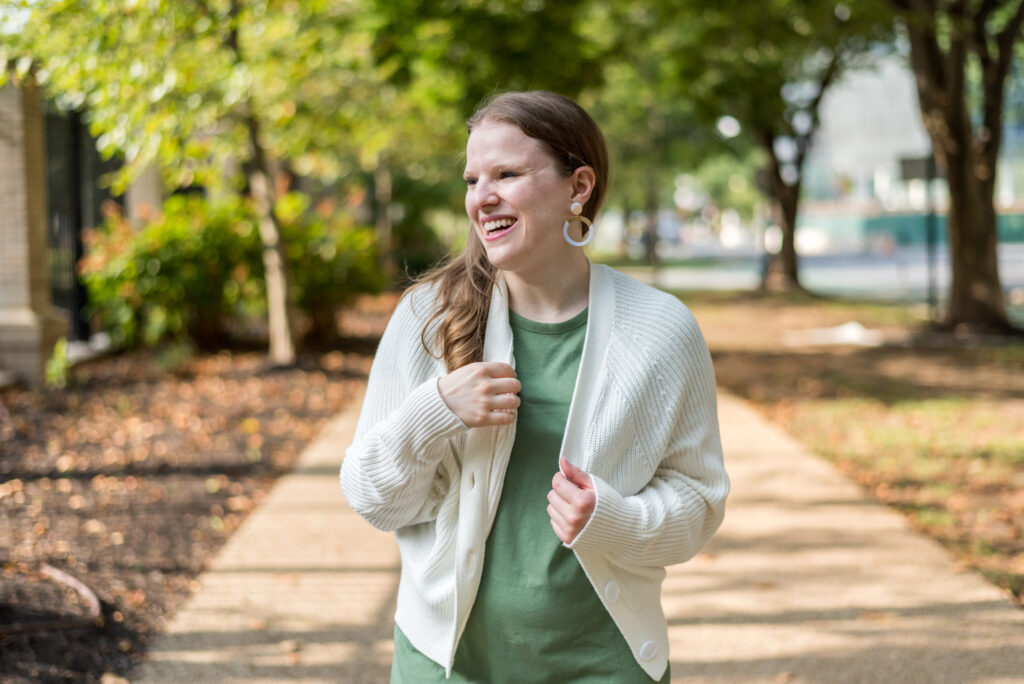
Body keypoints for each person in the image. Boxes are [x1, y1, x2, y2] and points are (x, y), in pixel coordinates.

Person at [340, 90, 729, 683]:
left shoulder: (660, 329)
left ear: (578, 187)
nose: (481, 197)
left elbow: (698, 502)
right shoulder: (429, 317)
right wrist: (435, 410)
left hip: (603, 663)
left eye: (506, 174)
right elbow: (372, 496)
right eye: (472, 180)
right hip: (445, 664)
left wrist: (614, 517)